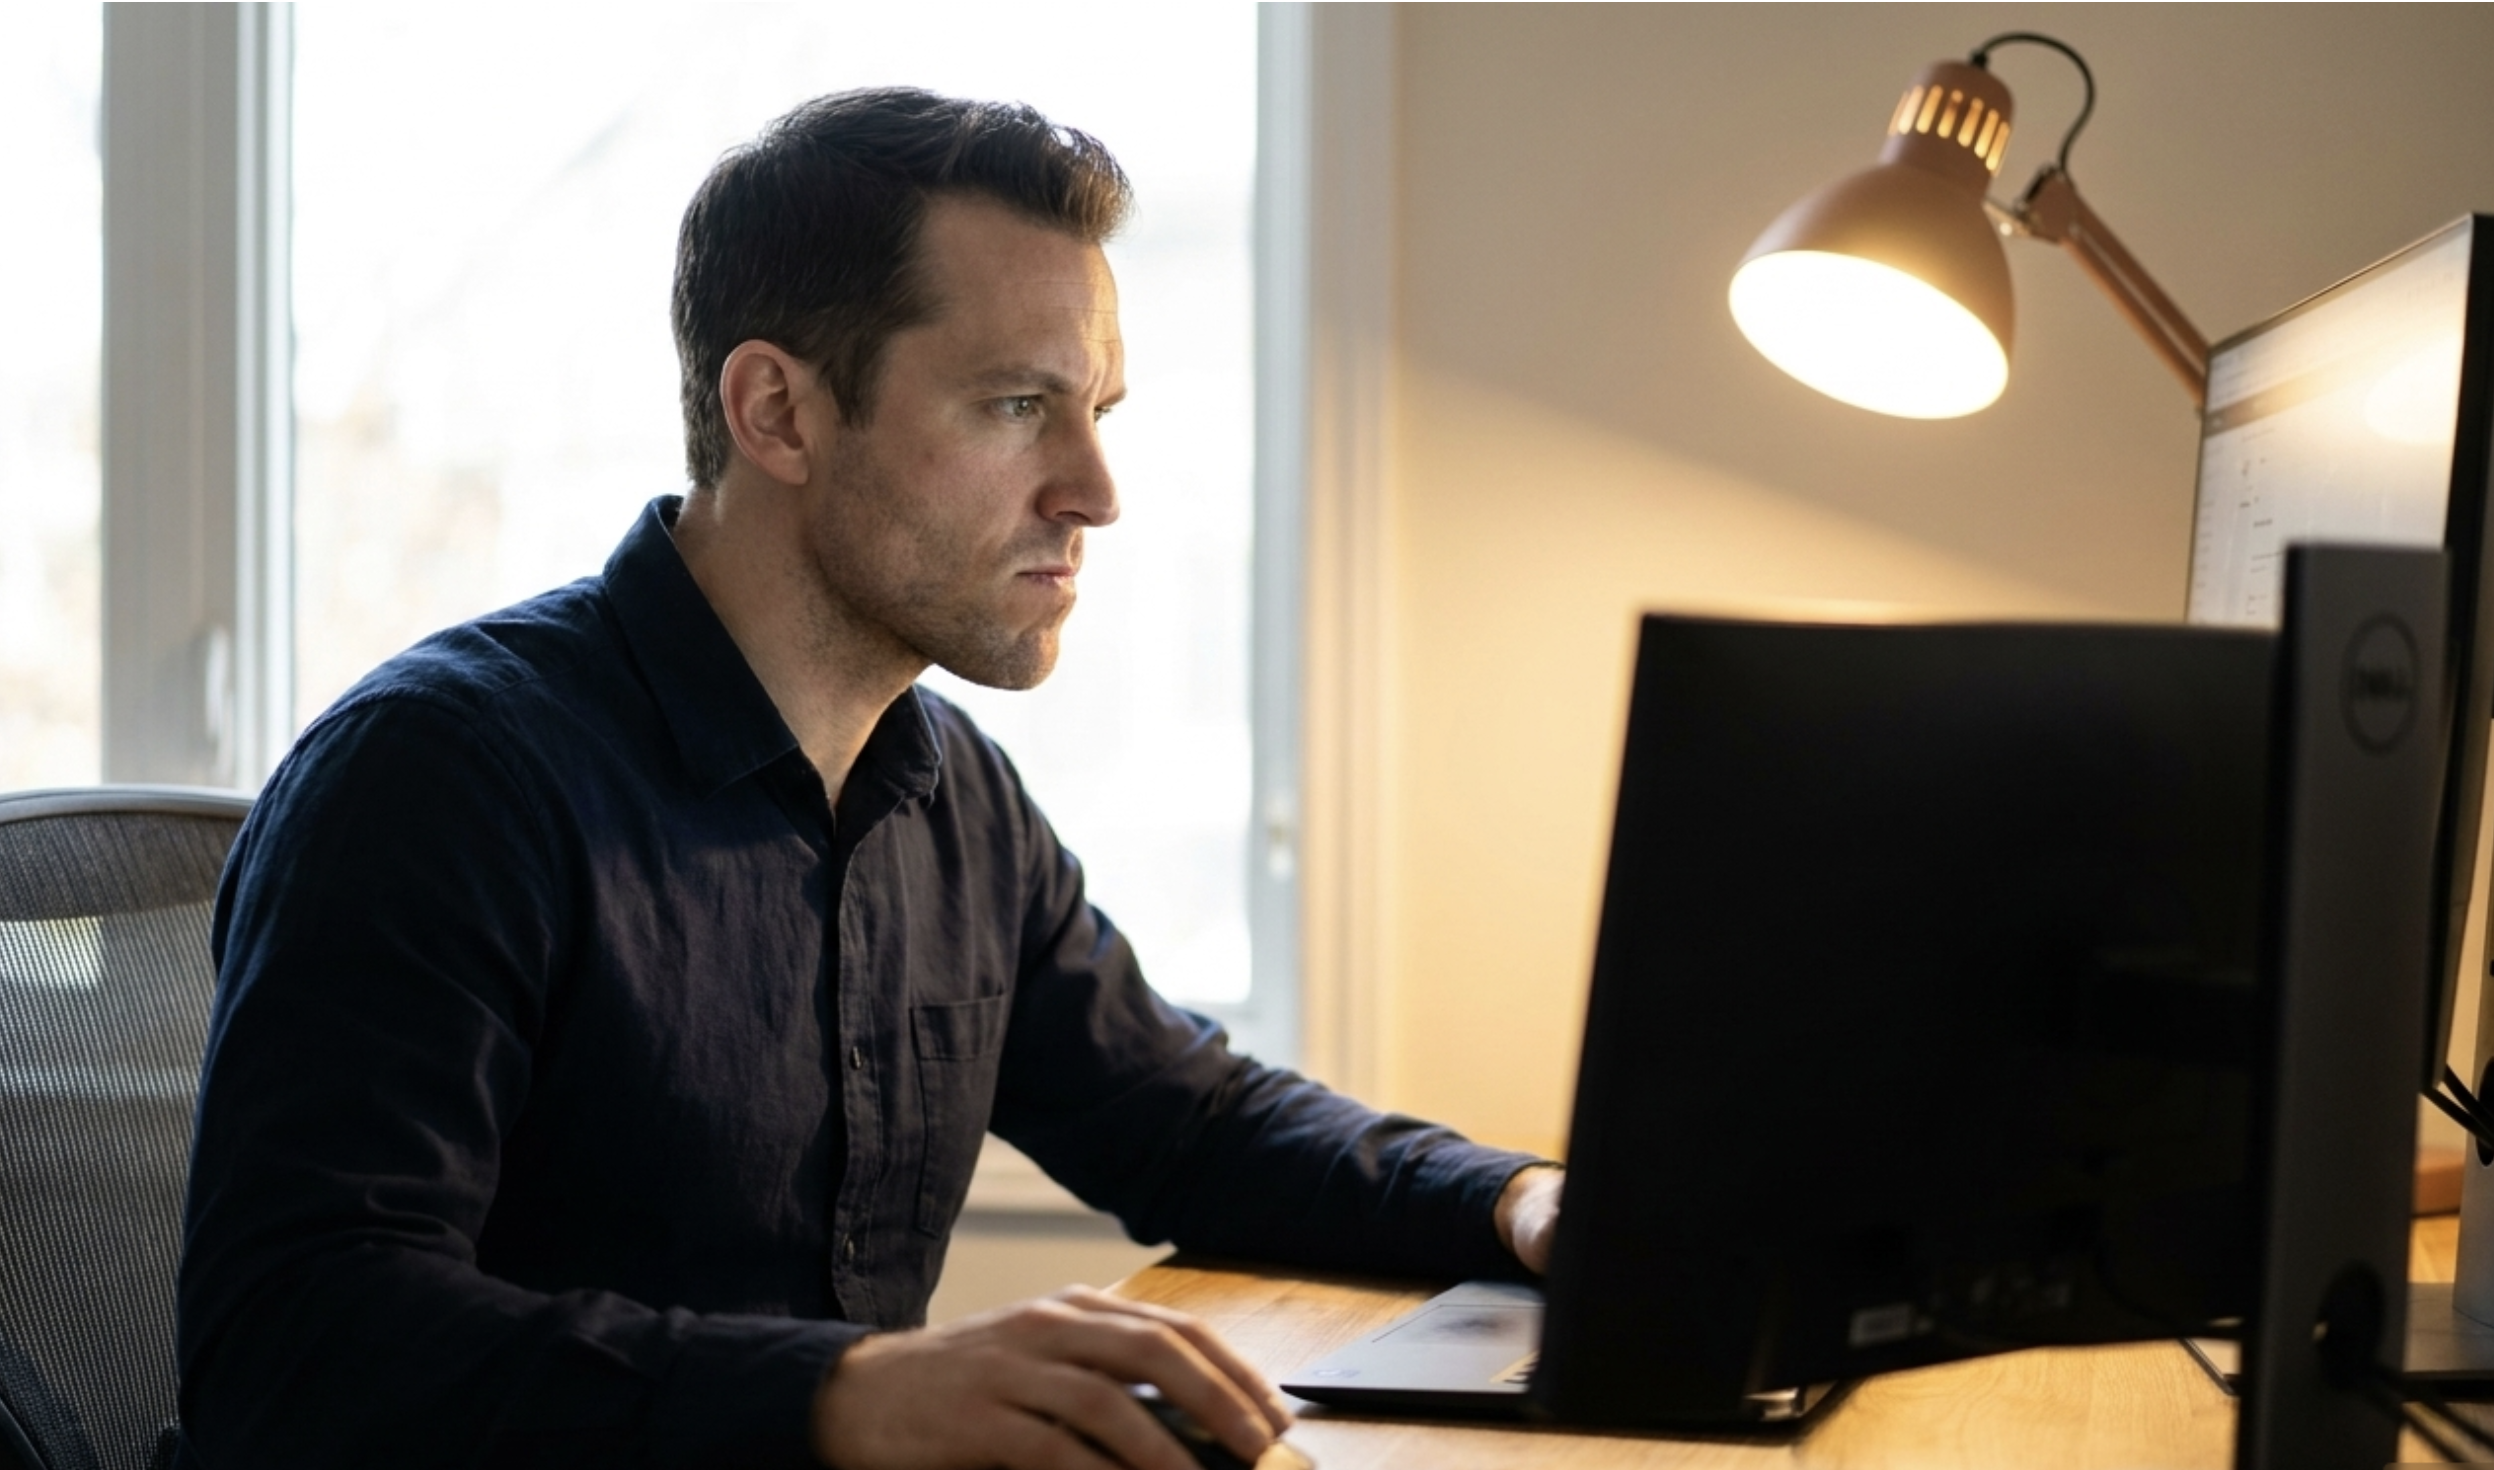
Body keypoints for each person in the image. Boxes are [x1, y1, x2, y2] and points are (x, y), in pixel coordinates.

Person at [177, 87, 1563, 1470]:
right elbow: (300, 1344)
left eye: (1096, 410)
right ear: (778, 411)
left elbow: (1190, 1123)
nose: (1093, 489)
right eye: (1017, 405)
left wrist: (1517, 1200)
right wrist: (847, 1395)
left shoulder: (951, 796)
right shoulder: (439, 779)